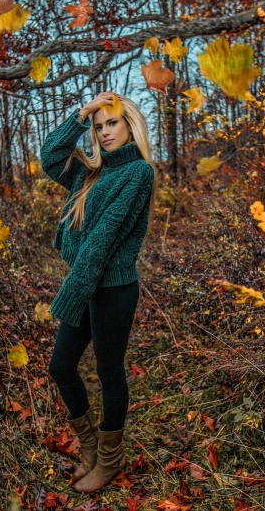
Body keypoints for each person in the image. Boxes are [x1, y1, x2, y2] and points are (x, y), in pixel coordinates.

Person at [40, 91, 159, 493]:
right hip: (87, 283)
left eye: (112, 123)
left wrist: (72, 292)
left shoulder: (139, 174)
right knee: (60, 366)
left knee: (109, 372)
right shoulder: (89, 171)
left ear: (130, 126)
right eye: (99, 126)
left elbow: (102, 241)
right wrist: (81, 115)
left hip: (113, 289)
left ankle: (110, 460)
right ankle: (90, 448)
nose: (105, 132)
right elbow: (51, 156)